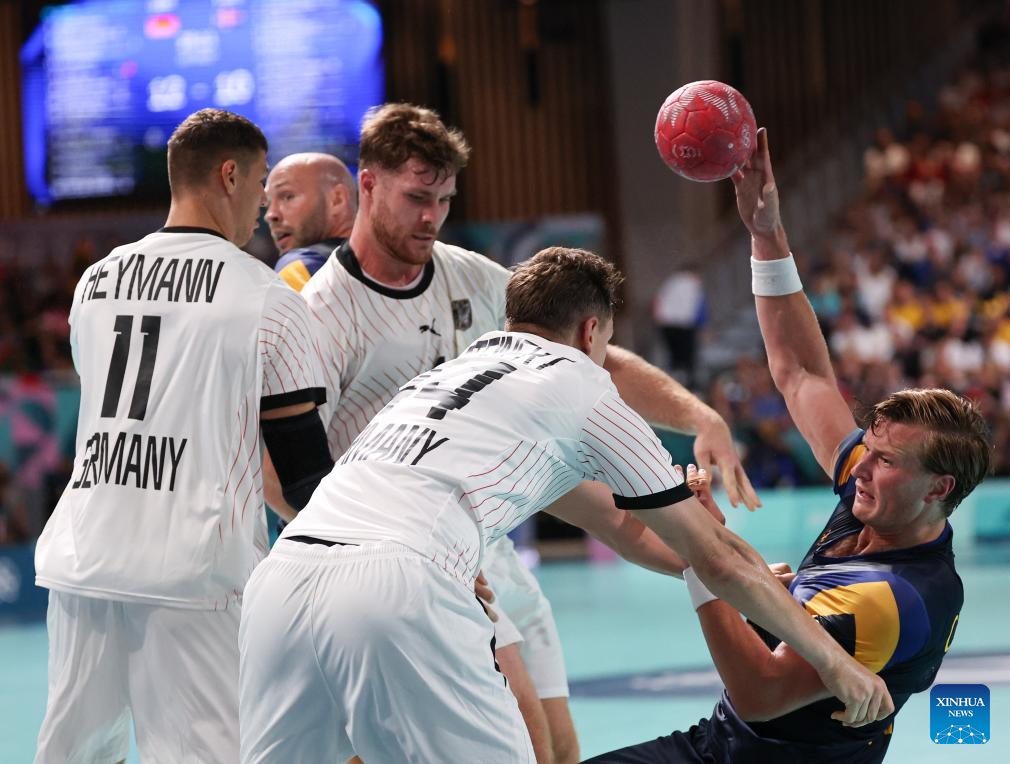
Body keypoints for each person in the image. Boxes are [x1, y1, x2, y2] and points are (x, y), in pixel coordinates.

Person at [239, 245, 892, 763]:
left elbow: (619, 524)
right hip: (400, 585)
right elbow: (715, 554)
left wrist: (734, 575)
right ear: (591, 331)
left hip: (282, 584)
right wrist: (839, 667)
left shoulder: (449, 376)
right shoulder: (580, 384)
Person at [263, 102, 761, 764]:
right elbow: (273, 468)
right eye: (417, 197)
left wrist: (698, 416)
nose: (431, 217)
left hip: (486, 547)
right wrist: (388, 550)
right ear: (368, 184)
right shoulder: (321, 312)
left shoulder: (469, 273)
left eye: (443, 199)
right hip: (396, 562)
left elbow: (591, 355)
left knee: (557, 750)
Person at [585, 129, 991, 763]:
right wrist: (765, 233)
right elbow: (802, 373)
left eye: (886, 461)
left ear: (939, 488)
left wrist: (705, 558)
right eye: (871, 449)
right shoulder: (878, 499)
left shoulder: (893, 598)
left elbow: (760, 691)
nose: (862, 467)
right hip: (720, 745)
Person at [33, 109, 334, 763]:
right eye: (258, 186)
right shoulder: (264, 295)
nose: (260, 208)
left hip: (83, 561)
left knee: (75, 754)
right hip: (194, 575)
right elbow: (305, 472)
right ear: (229, 175)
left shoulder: (97, 281)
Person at [265, 152, 357, 290]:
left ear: (337, 199)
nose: (270, 214)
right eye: (267, 203)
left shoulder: (300, 266)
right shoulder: (396, 265)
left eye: (288, 196)